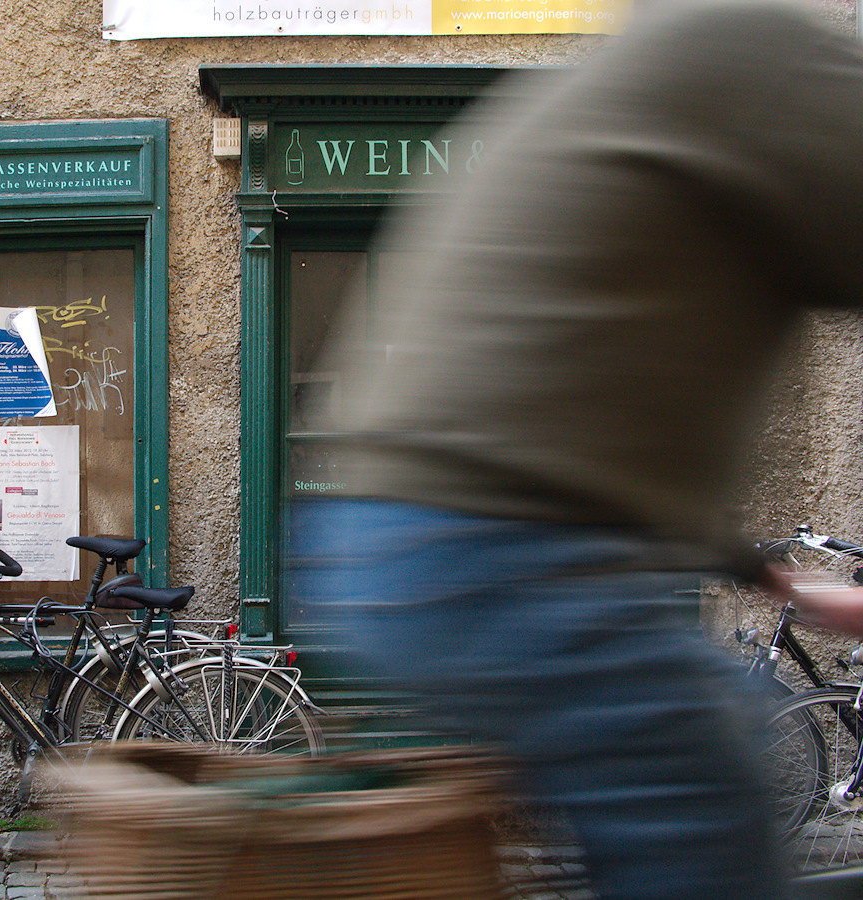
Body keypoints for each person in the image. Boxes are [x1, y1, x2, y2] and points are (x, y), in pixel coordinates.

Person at [287, 2, 863, 897]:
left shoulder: (653, 72)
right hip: (495, 543)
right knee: (707, 815)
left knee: (712, 737)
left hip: (395, 539)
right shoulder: (762, 51)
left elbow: (599, 389)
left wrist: (768, 575)